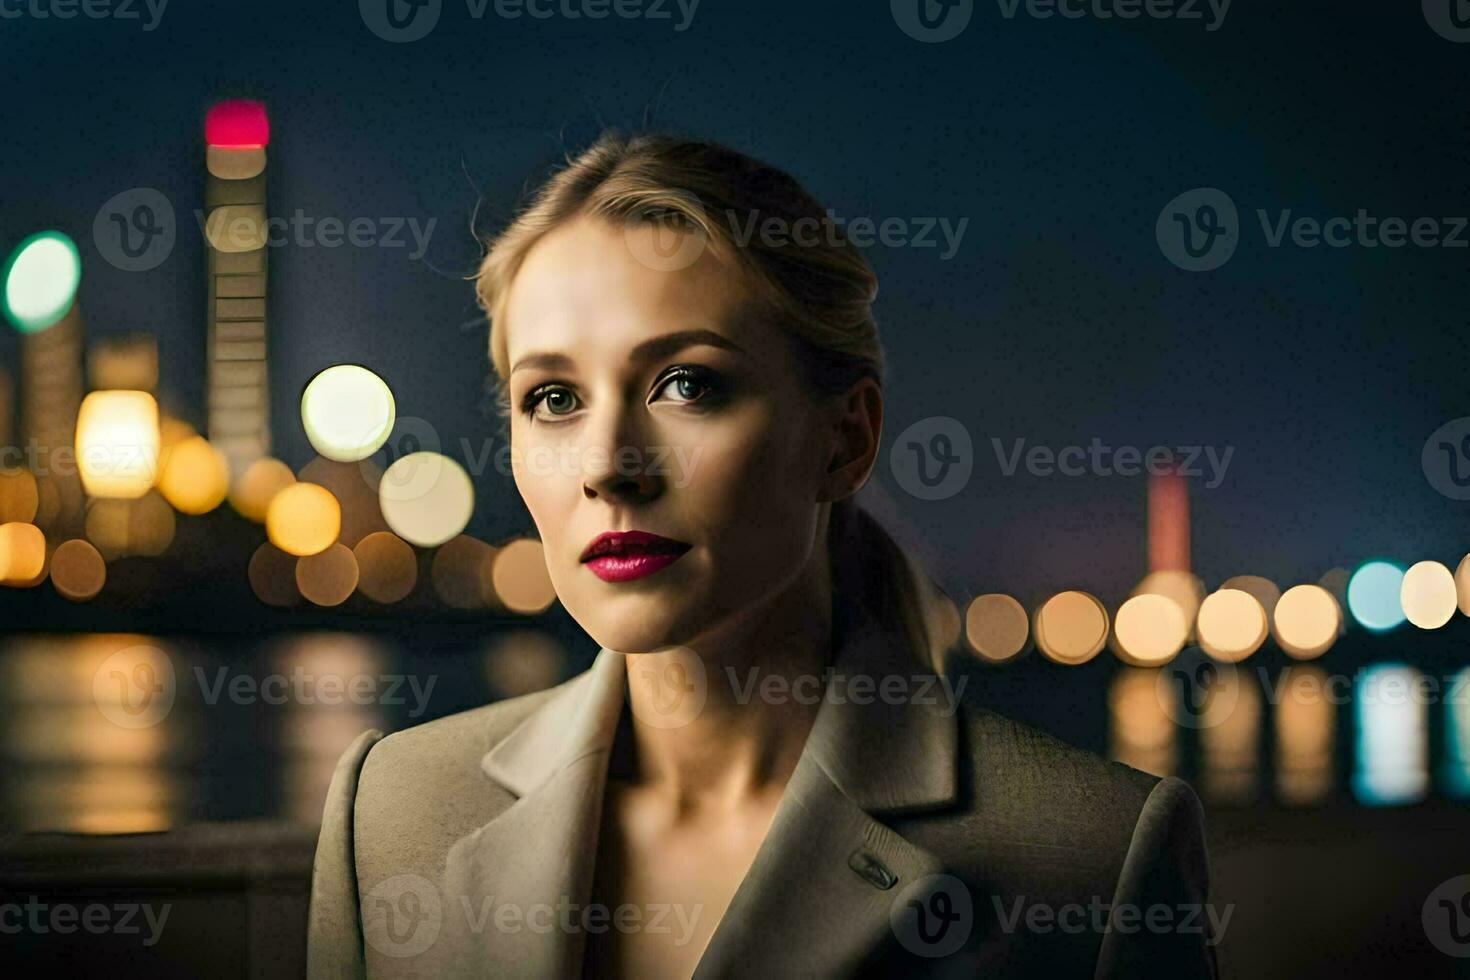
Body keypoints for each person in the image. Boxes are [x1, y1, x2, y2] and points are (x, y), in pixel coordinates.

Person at [307, 131, 1218, 978]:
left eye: (686, 384)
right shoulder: (389, 816)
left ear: (843, 439)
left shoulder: (1090, 857)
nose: (608, 467)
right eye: (552, 398)